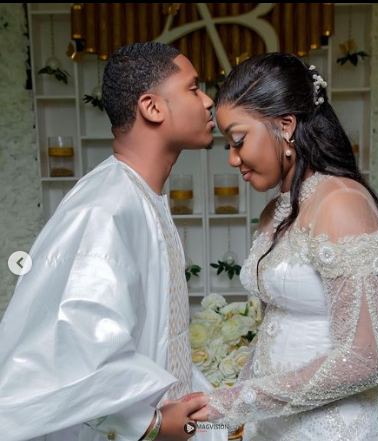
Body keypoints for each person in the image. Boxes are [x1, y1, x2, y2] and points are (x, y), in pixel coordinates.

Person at [0, 42, 226, 441]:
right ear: (152, 107)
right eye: (193, 88)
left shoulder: (138, 196)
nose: (208, 101)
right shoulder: (106, 207)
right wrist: (152, 426)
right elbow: (76, 343)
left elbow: (158, 334)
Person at [182, 53, 378, 440]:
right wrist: (217, 419)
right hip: (274, 425)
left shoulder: (342, 202)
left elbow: (365, 359)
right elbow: (271, 334)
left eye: (238, 140)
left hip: (339, 429)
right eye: (228, 146)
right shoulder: (274, 212)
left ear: (286, 126)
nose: (233, 159)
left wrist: (235, 403)